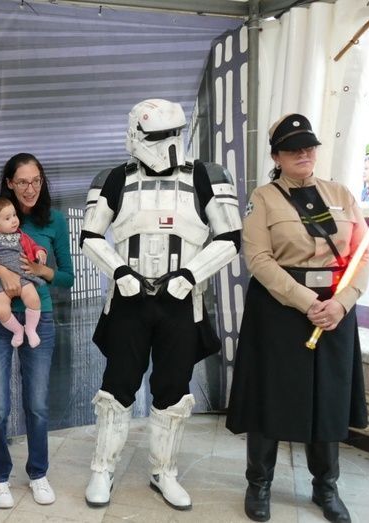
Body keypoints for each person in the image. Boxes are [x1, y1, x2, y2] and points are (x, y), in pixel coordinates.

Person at [79, 99, 242, 511]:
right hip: (128, 301)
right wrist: (120, 272)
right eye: (153, 135)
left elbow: (229, 238)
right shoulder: (114, 178)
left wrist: (188, 276)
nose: (162, 144)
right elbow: (91, 236)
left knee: (173, 388)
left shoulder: (206, 176)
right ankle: (103, 467)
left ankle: (163, 471)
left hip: (181, 303)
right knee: (117, 386)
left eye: (168, 134)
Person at [226, 114, 369, 523]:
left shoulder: (341, 194)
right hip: (280, 309)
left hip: (335, 309)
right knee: (271, 394)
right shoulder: (263, 199)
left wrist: (343, 302)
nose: (303, 154)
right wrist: (307, 301)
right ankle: (259, 483)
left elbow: (363, 253)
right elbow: (258, 259)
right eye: (292, 149)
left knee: (329, 396)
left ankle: (326, 487)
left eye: (308, 146)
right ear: (277, 157)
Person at [0, 152, 74, 509]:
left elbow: (67, 276)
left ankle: (38, 473)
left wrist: (41, 272)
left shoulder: (54, 221)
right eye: (22, 182)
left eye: (36, 181)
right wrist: (1, 271)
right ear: (9, 183)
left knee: (37, 405)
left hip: (39, 317)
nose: (30, 188)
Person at [0, 196, 48, 348]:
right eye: (7, 218)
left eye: (14, 215)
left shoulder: (21, 235)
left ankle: (31, 329)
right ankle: (17, 330)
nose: (14, 220)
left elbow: (34, 246)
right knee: (1, 310)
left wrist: (40, 252)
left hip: (22, 274)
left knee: (33, 299)